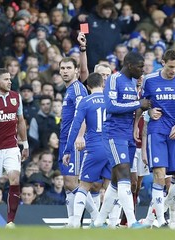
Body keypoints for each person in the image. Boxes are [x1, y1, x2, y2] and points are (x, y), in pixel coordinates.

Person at [135, 49, 175, 228]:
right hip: (157, 131)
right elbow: (142, 104)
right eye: (170, 66)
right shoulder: (150, 80)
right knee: (159, 176)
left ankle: (159, 210)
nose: (174, 70)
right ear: (163, 62)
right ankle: (160, 221)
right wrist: (148, 112)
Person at [93, 52, 150, 228]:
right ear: (129, 65)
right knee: (124, 173)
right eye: (140, 67)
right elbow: (111, 106)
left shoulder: (133, 83)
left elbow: (133, 109)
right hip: (114, 133)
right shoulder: (114, 79)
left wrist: (135, 128)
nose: (142, 70)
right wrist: (138, 103)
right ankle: (132, 222)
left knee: (116, 181)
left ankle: (98, 222)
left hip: (127, 135)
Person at [63, 72, 111, 228]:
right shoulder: (111, 100)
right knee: (111, 187)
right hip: (111, 147)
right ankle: (107, 221)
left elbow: (75, 126)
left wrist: (68, 150)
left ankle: (76, 222)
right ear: (103, 84)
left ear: (88, 86)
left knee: (83, 186)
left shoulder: (85, 101)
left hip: (94, 147)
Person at [0, 68, 29, 228]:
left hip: (11, 147)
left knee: (15, 179)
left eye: (10, 79)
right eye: (6, 79)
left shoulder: (16, 97)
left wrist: (25, 143)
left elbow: (21, 121)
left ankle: (10, 222)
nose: (10, 81)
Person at [58, 57, 88, 227]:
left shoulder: (77, 89)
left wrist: (80, 136)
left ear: (76, 70)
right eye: (62, 68)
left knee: (72, 182)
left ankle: (98, 214)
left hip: (74, 141)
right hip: (65, 141)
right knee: (67, 185)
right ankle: (72, 222)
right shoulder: (69, 90)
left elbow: (82, 115)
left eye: (69, 68)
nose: (65, 71)